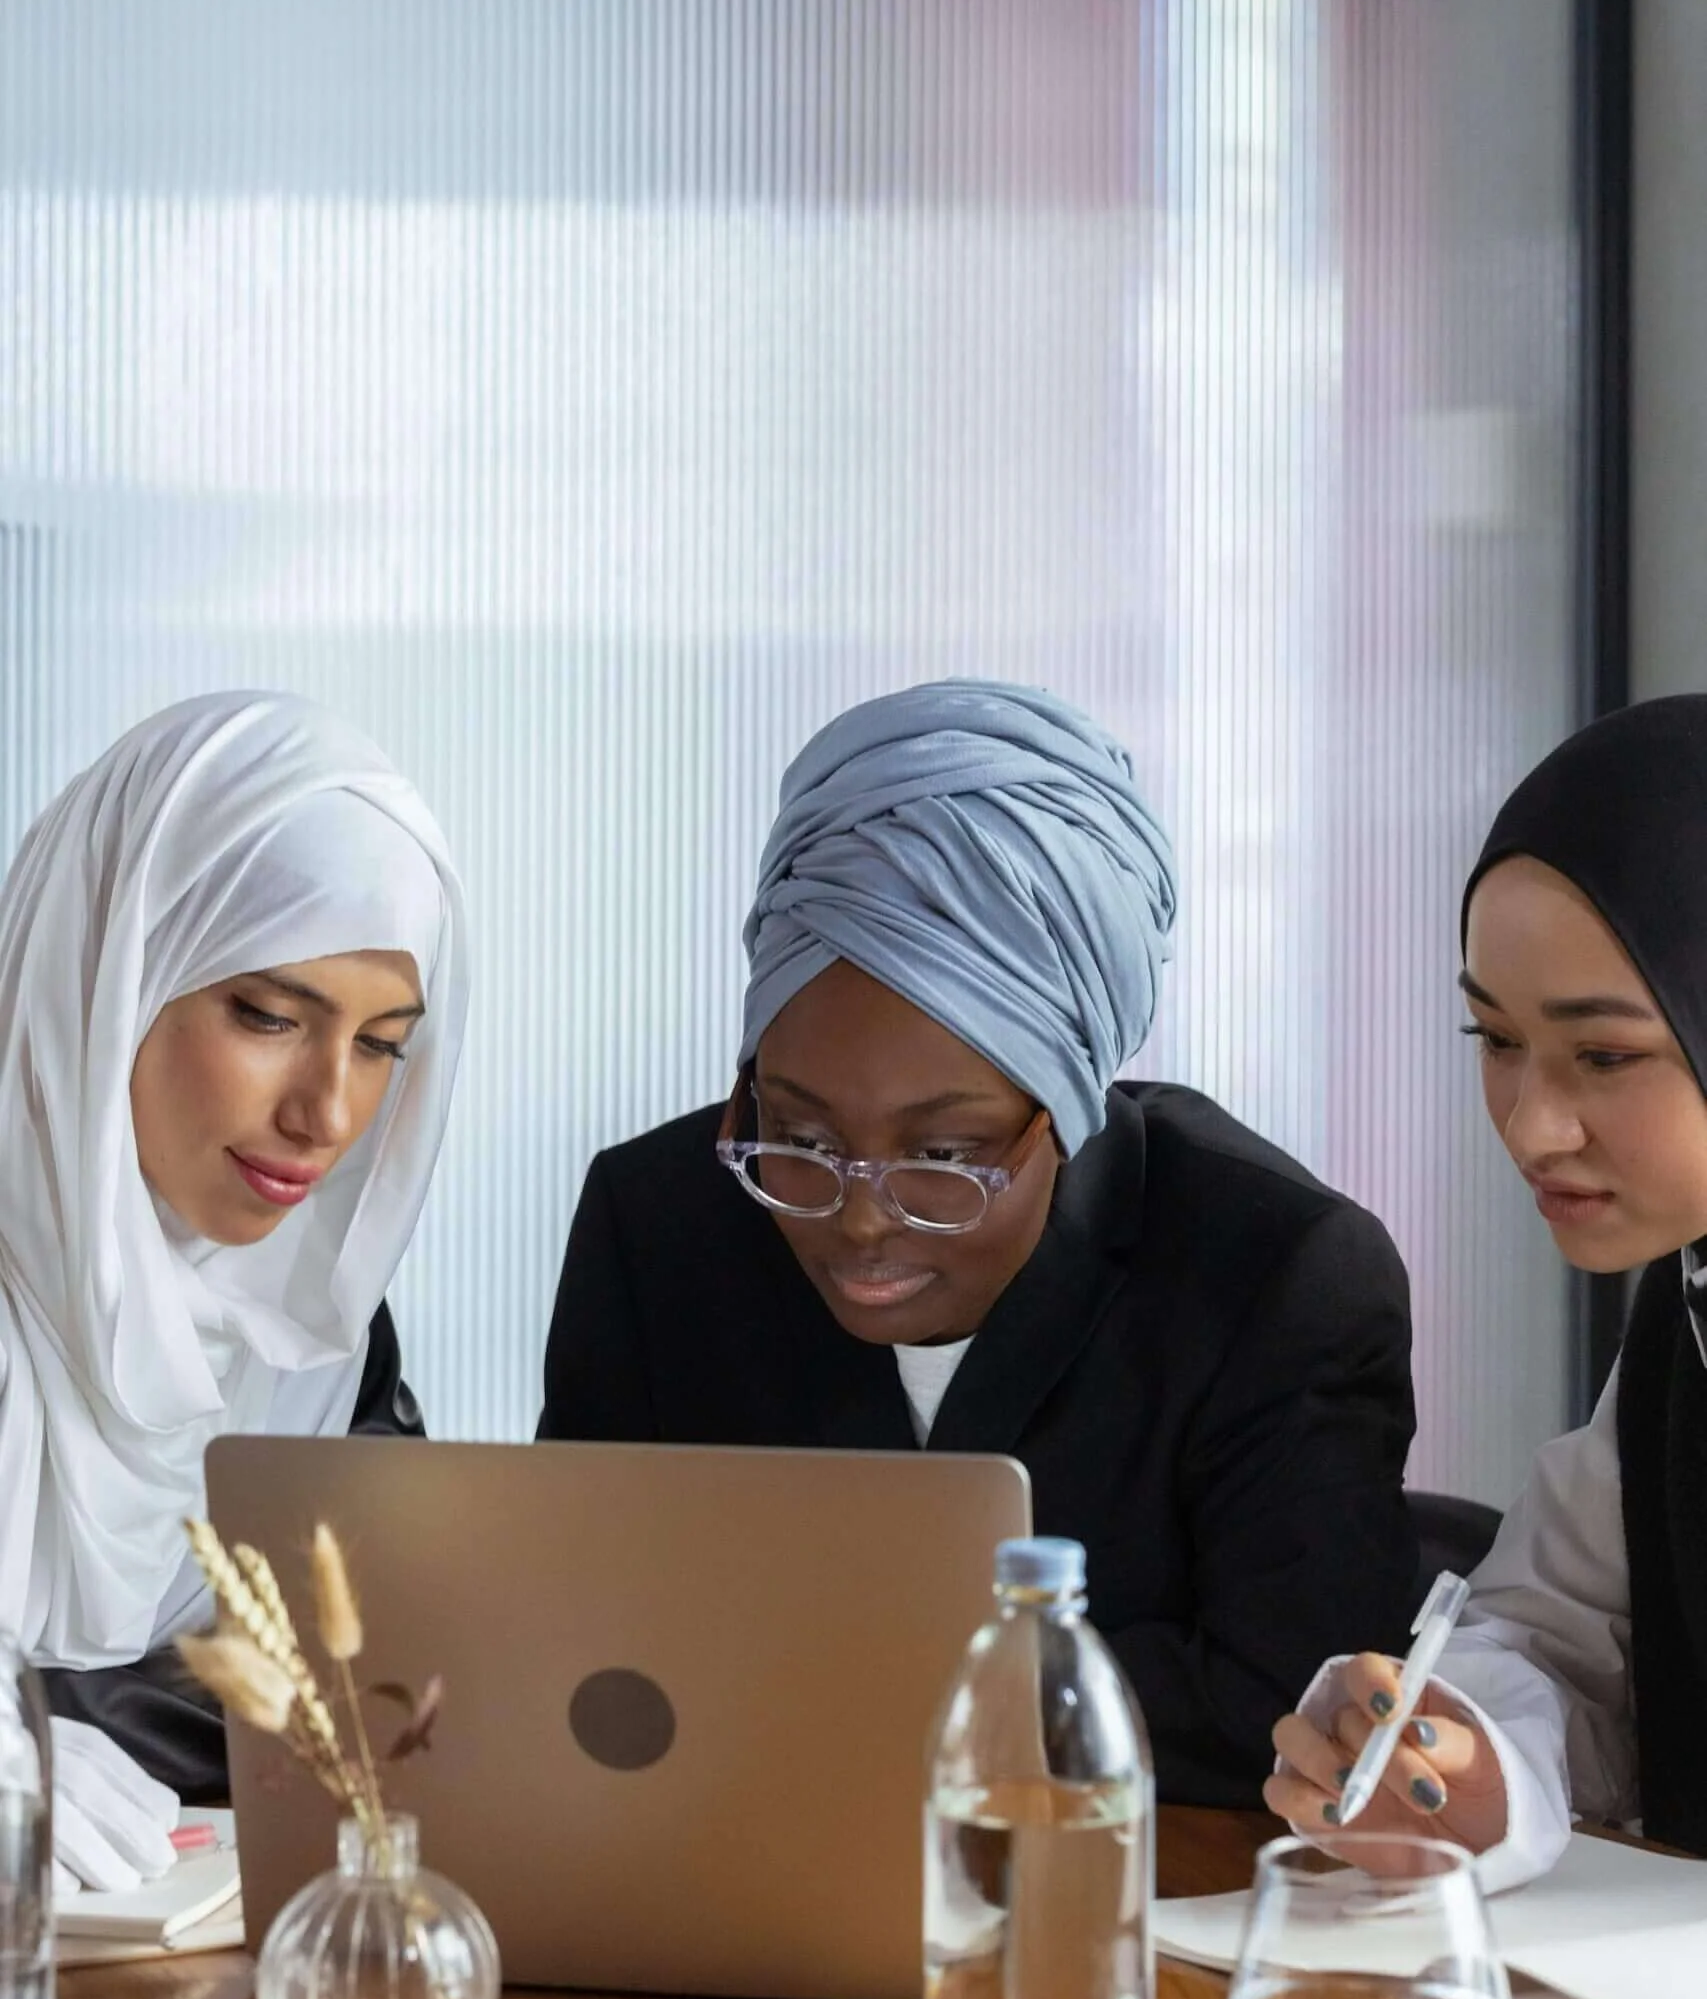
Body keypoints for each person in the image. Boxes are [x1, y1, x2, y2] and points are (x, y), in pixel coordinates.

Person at [539, 678, 1417, 1805]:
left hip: (1127, 1915)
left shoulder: (1273, 1278)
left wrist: (824, 1684)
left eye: (944, 1158)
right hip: (722, 1877)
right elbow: (573, 1636)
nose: (859, 1218)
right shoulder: (658, 1225)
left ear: (1070, 1111)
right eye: (798, 1132)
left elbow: (1287, 1711)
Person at [0, 691, 466, 1889]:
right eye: (269, 1014)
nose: (329, 1113)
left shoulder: (313, 1326)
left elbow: (399, 1698)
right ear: (109, 975)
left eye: (381, 1045)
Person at [1268, 694, 1707, 1886]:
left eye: (1605, 1055)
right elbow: (1565, 1642)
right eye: (1495, 1040)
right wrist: (1468, 1767)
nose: (1532, 1125)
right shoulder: (1686, 1315)